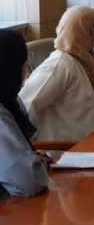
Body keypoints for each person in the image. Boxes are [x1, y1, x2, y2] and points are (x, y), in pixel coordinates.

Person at [19, 7, 94, 142]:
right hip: (68, 151)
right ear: (85, 34)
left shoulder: (84, 60)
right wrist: (28, 151)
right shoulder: (60, 64)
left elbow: (78, 108)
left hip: (93, 144)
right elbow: (26, 104)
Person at [0, 30, 48, 197]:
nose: (26, 69)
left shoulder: (9, 100)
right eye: (23, 63)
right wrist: (35, 165)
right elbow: (29, 182)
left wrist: (30, 156)